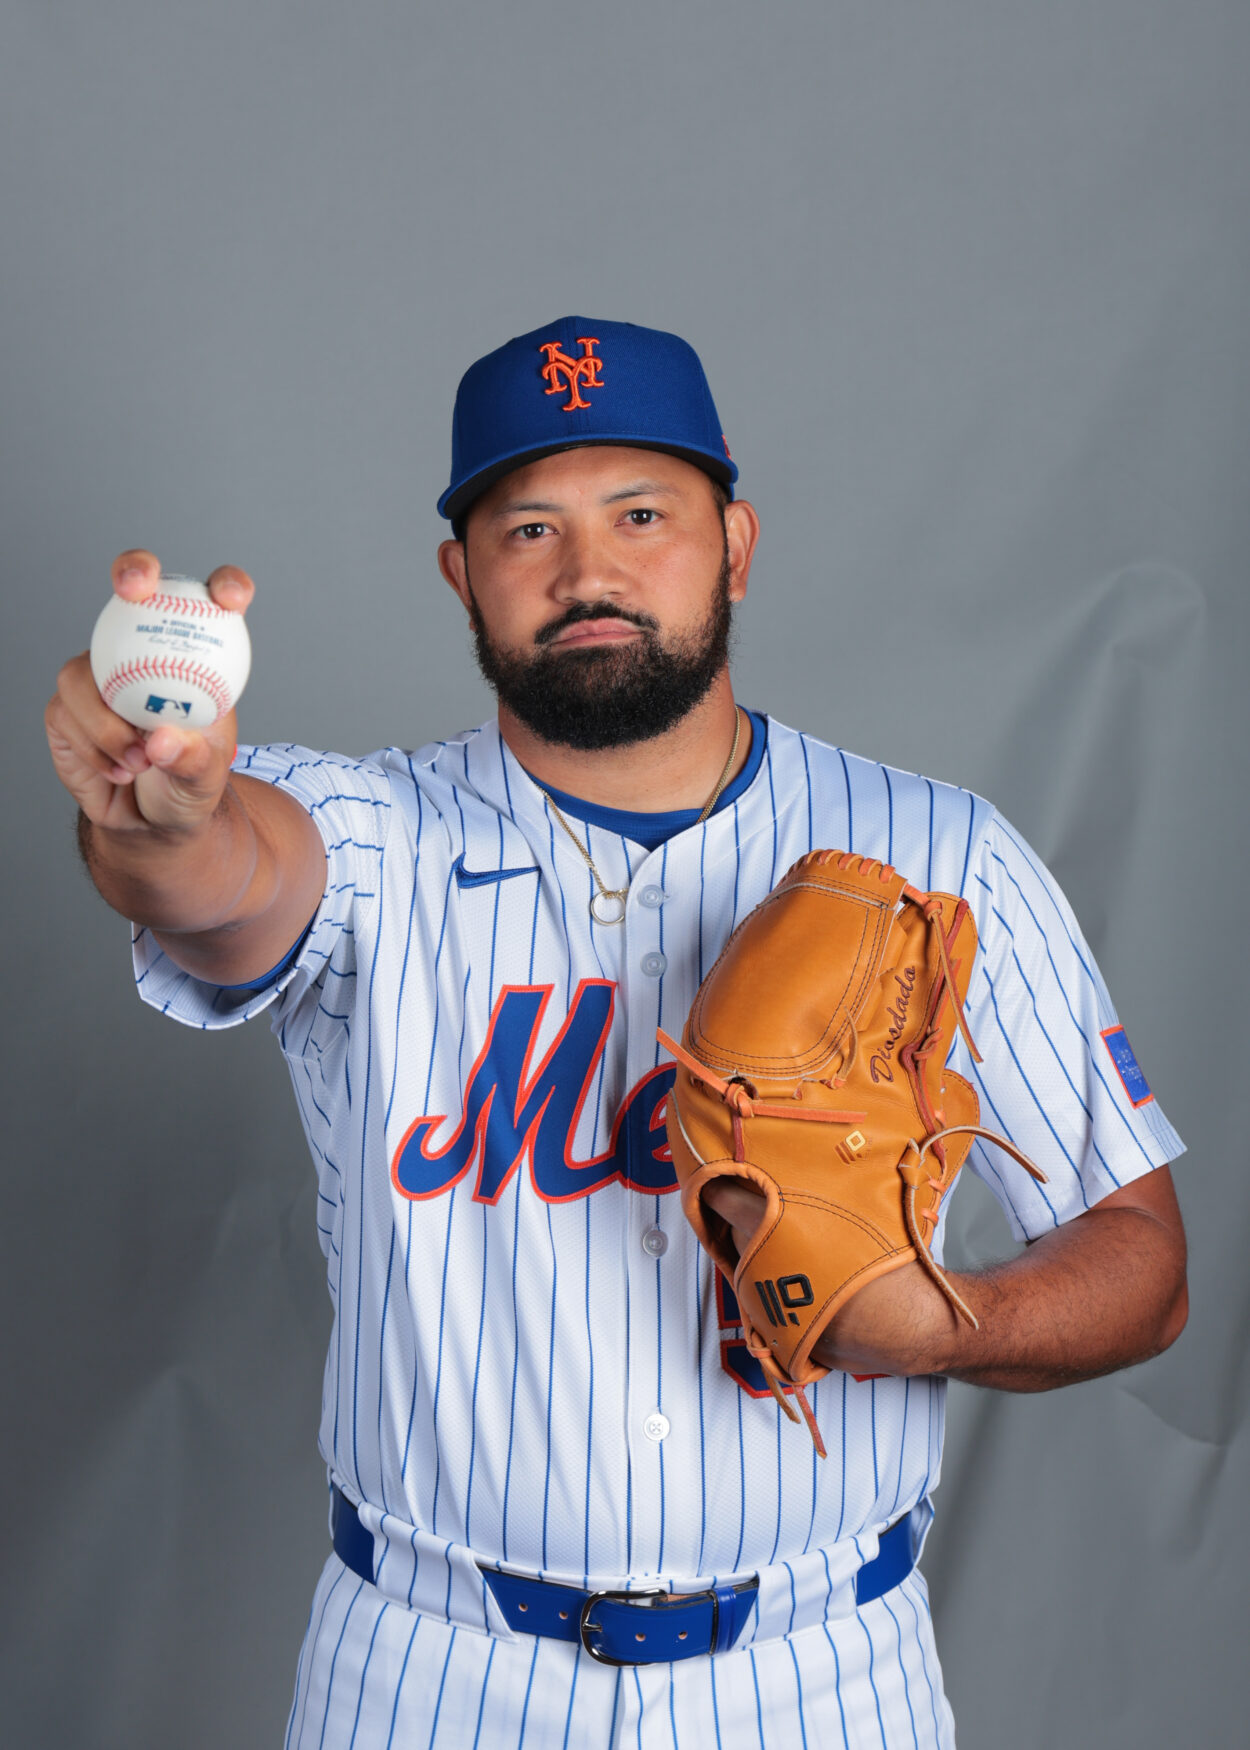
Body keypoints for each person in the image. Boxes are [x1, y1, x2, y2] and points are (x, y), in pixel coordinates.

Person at [46, 316, 1188, 1748]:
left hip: (820, 1673)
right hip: (431, 1673)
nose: (588, 571)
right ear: (463, 576)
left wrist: (939, 1323)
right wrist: (157, 812)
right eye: (528, 528)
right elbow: (222, 874)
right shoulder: (376, 834)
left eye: (640, 514)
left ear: (736, 541)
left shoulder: (939, 851)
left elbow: (1140, 1257)